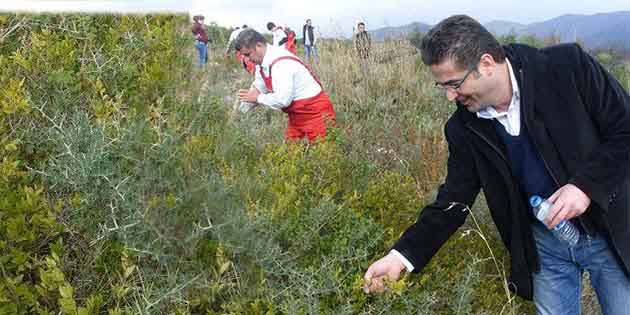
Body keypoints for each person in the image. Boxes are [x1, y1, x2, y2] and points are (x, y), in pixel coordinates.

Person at [363, 14, 630, 314]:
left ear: (487, 64)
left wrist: (585, 187)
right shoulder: (464, 127)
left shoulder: (567, 67)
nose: (451, 96)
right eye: (443, 87)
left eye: (454, 83)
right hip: (544, 246)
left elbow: (625, 129)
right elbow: (454, 199)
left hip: (609, 230)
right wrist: (402, 256)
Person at [235, 29, 336, 142]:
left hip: (316, 113)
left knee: (323, 155)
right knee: (290, 154)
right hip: (297, 117)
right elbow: (259, 86)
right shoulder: (261, 63)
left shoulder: (280, 64)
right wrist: (238, 113)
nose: (247, 60)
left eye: (248, 54)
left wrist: (258, 98)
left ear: (259, 45)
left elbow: (283, 100)